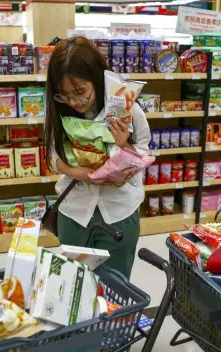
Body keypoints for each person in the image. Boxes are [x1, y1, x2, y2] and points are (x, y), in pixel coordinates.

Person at [45, 37, 151, 279]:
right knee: (73, 288)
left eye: (80, 91)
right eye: (65, 94)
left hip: (119, 213)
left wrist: (125, 145)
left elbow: (144, 151)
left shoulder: (128, 108)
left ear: (98, 77)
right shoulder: (59, 110)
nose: (74, 101)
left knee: (115, 291)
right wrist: (77, 173)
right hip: (74, 213)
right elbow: (53, 157)